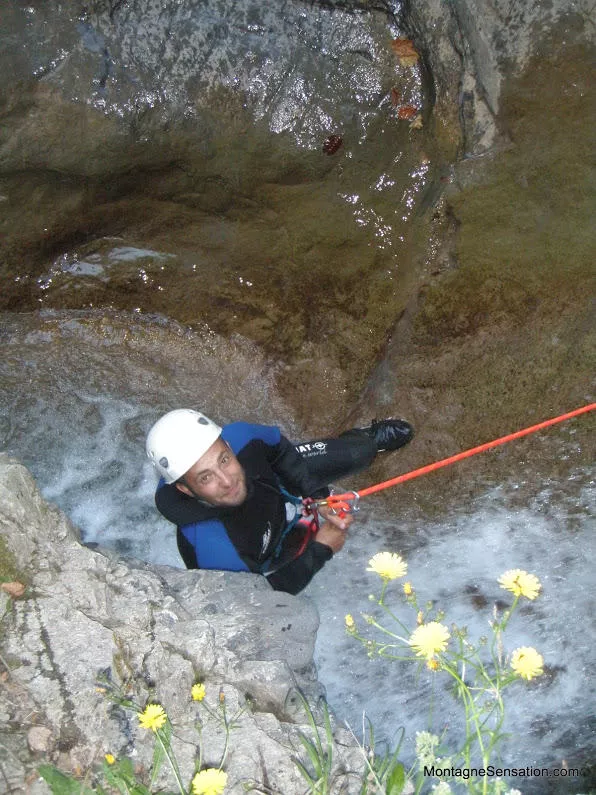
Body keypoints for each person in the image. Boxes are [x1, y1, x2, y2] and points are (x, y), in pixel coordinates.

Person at [146, 410, 413, 594]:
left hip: (275, 488)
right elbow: (264, 597)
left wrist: (317, 495)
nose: (227, 481)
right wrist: (322, 548)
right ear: (185, 489)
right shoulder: (214, 551)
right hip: (263, 554)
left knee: (357, 453)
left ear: (227, 445)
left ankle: (366, 439)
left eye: (224, 460)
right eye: (205, 477)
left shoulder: (242, 437)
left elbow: (280, 450)